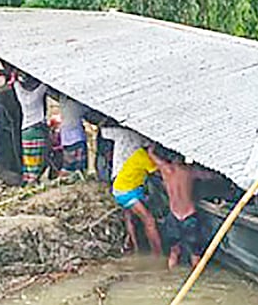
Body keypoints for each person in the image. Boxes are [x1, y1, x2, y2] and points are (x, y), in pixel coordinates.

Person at [100, 124, 162, 257]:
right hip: (126, 192)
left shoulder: (138, 153)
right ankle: (158, 254)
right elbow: (161, 173)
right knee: (149, 220)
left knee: (129, 216)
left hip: (120, 187)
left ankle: (135, 248)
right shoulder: (145, 158)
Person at [150, 146, 214, 269]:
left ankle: (170, 278)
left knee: (174, 253)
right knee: (195, 255)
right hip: (189, 216)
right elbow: (209, 176)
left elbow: (151, 154)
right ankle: (196, 280)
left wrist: (152, 147)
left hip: (173, 216)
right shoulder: (190, 171)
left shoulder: (165, 169)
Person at [13, 75, 49, 184]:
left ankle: (28, 177)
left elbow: (15, 83)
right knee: (37, 156)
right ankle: (35, 178)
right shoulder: (37, 94)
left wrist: (14, 75)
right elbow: (46, 84)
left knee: (28, 156)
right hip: (37, 129)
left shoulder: (21, 94)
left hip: (25, 130)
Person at [58, 94, 88, 178]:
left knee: (69, 159)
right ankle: (79, 174)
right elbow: (85, 112)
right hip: (77, 135)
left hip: (65, 135)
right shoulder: (78, 103)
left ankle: (70, 174)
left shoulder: (63, 100)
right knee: (79, 161)